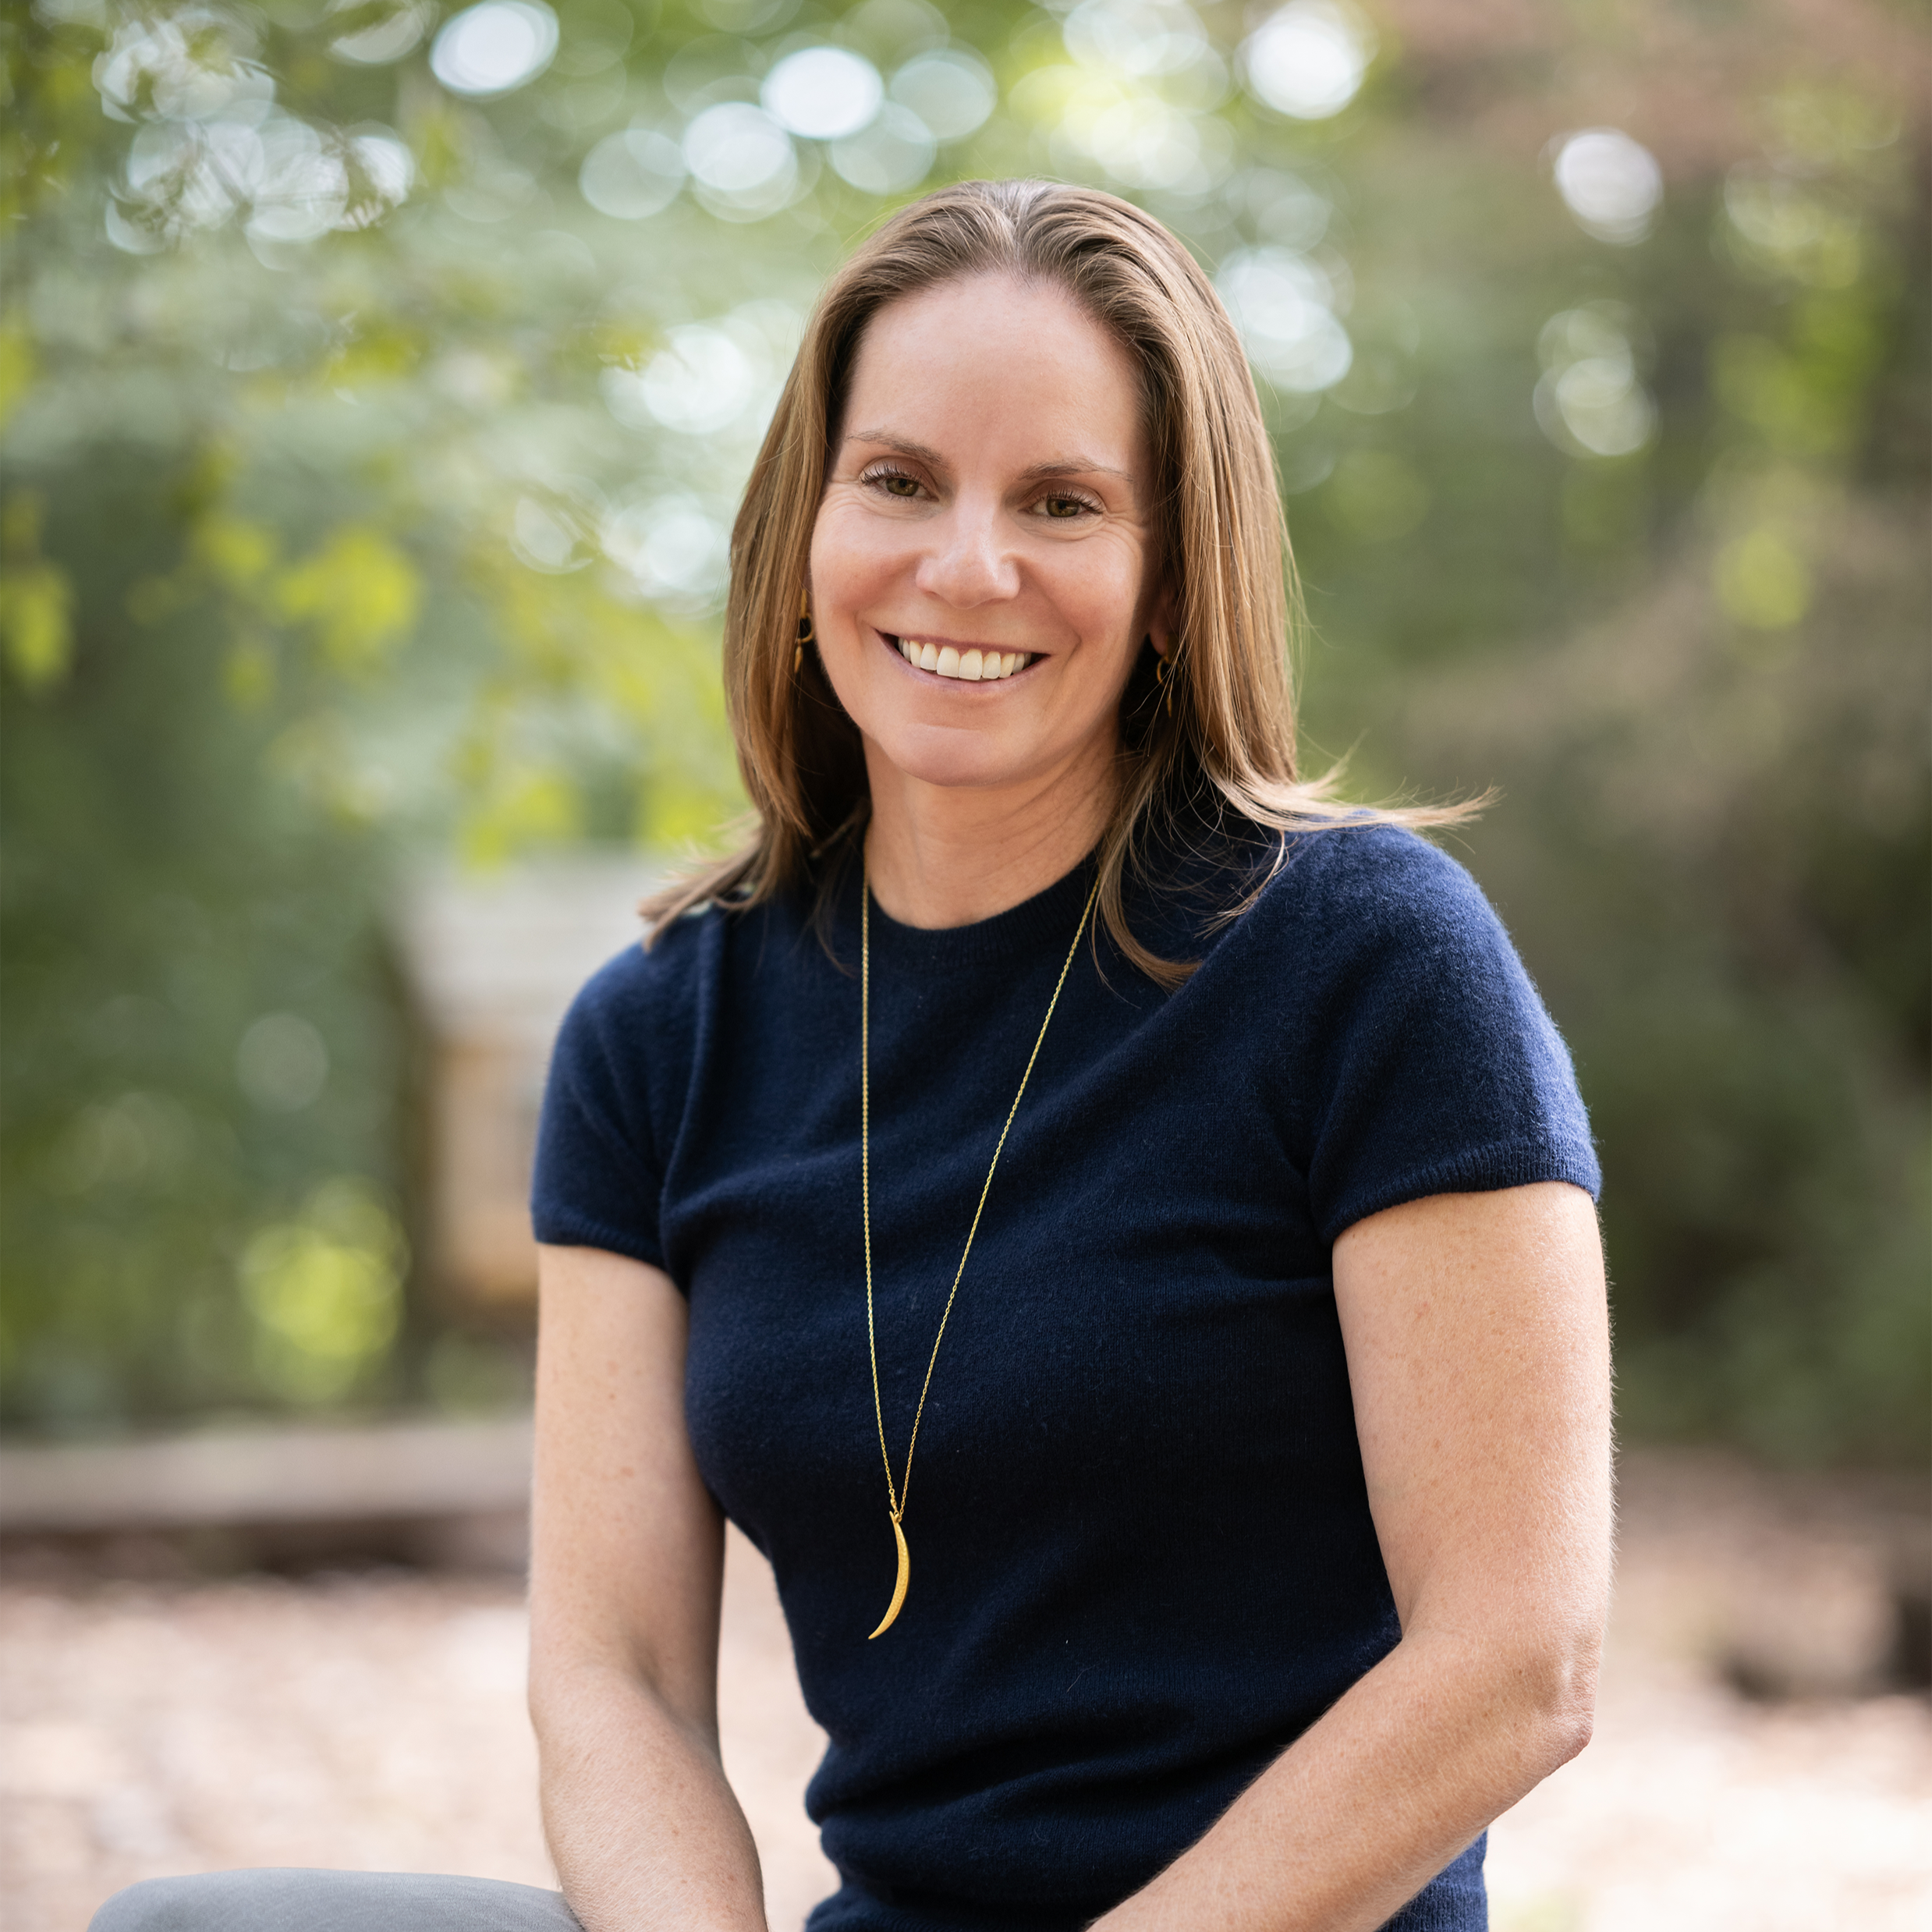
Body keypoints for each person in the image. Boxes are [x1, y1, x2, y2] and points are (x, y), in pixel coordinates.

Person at [94, 179, 1610, 1932]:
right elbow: (617, 1675)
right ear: (803, 528)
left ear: (1170, 574)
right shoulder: (658, 1037)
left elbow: (1517, 1657)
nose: (966, 566)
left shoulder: (1370, 959)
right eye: (898, 479)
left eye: (1060, 500)